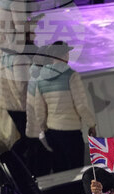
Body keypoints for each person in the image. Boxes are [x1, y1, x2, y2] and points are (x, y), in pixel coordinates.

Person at [25, 41, 96, 173]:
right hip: (71, 132)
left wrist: (44, 128)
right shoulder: (71, 75)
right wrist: (91, 124)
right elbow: (81, 105)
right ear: (64, 55)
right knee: (76, 170)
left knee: (60, 172)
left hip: (52, 133)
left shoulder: (41, 78)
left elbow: (39, 109)